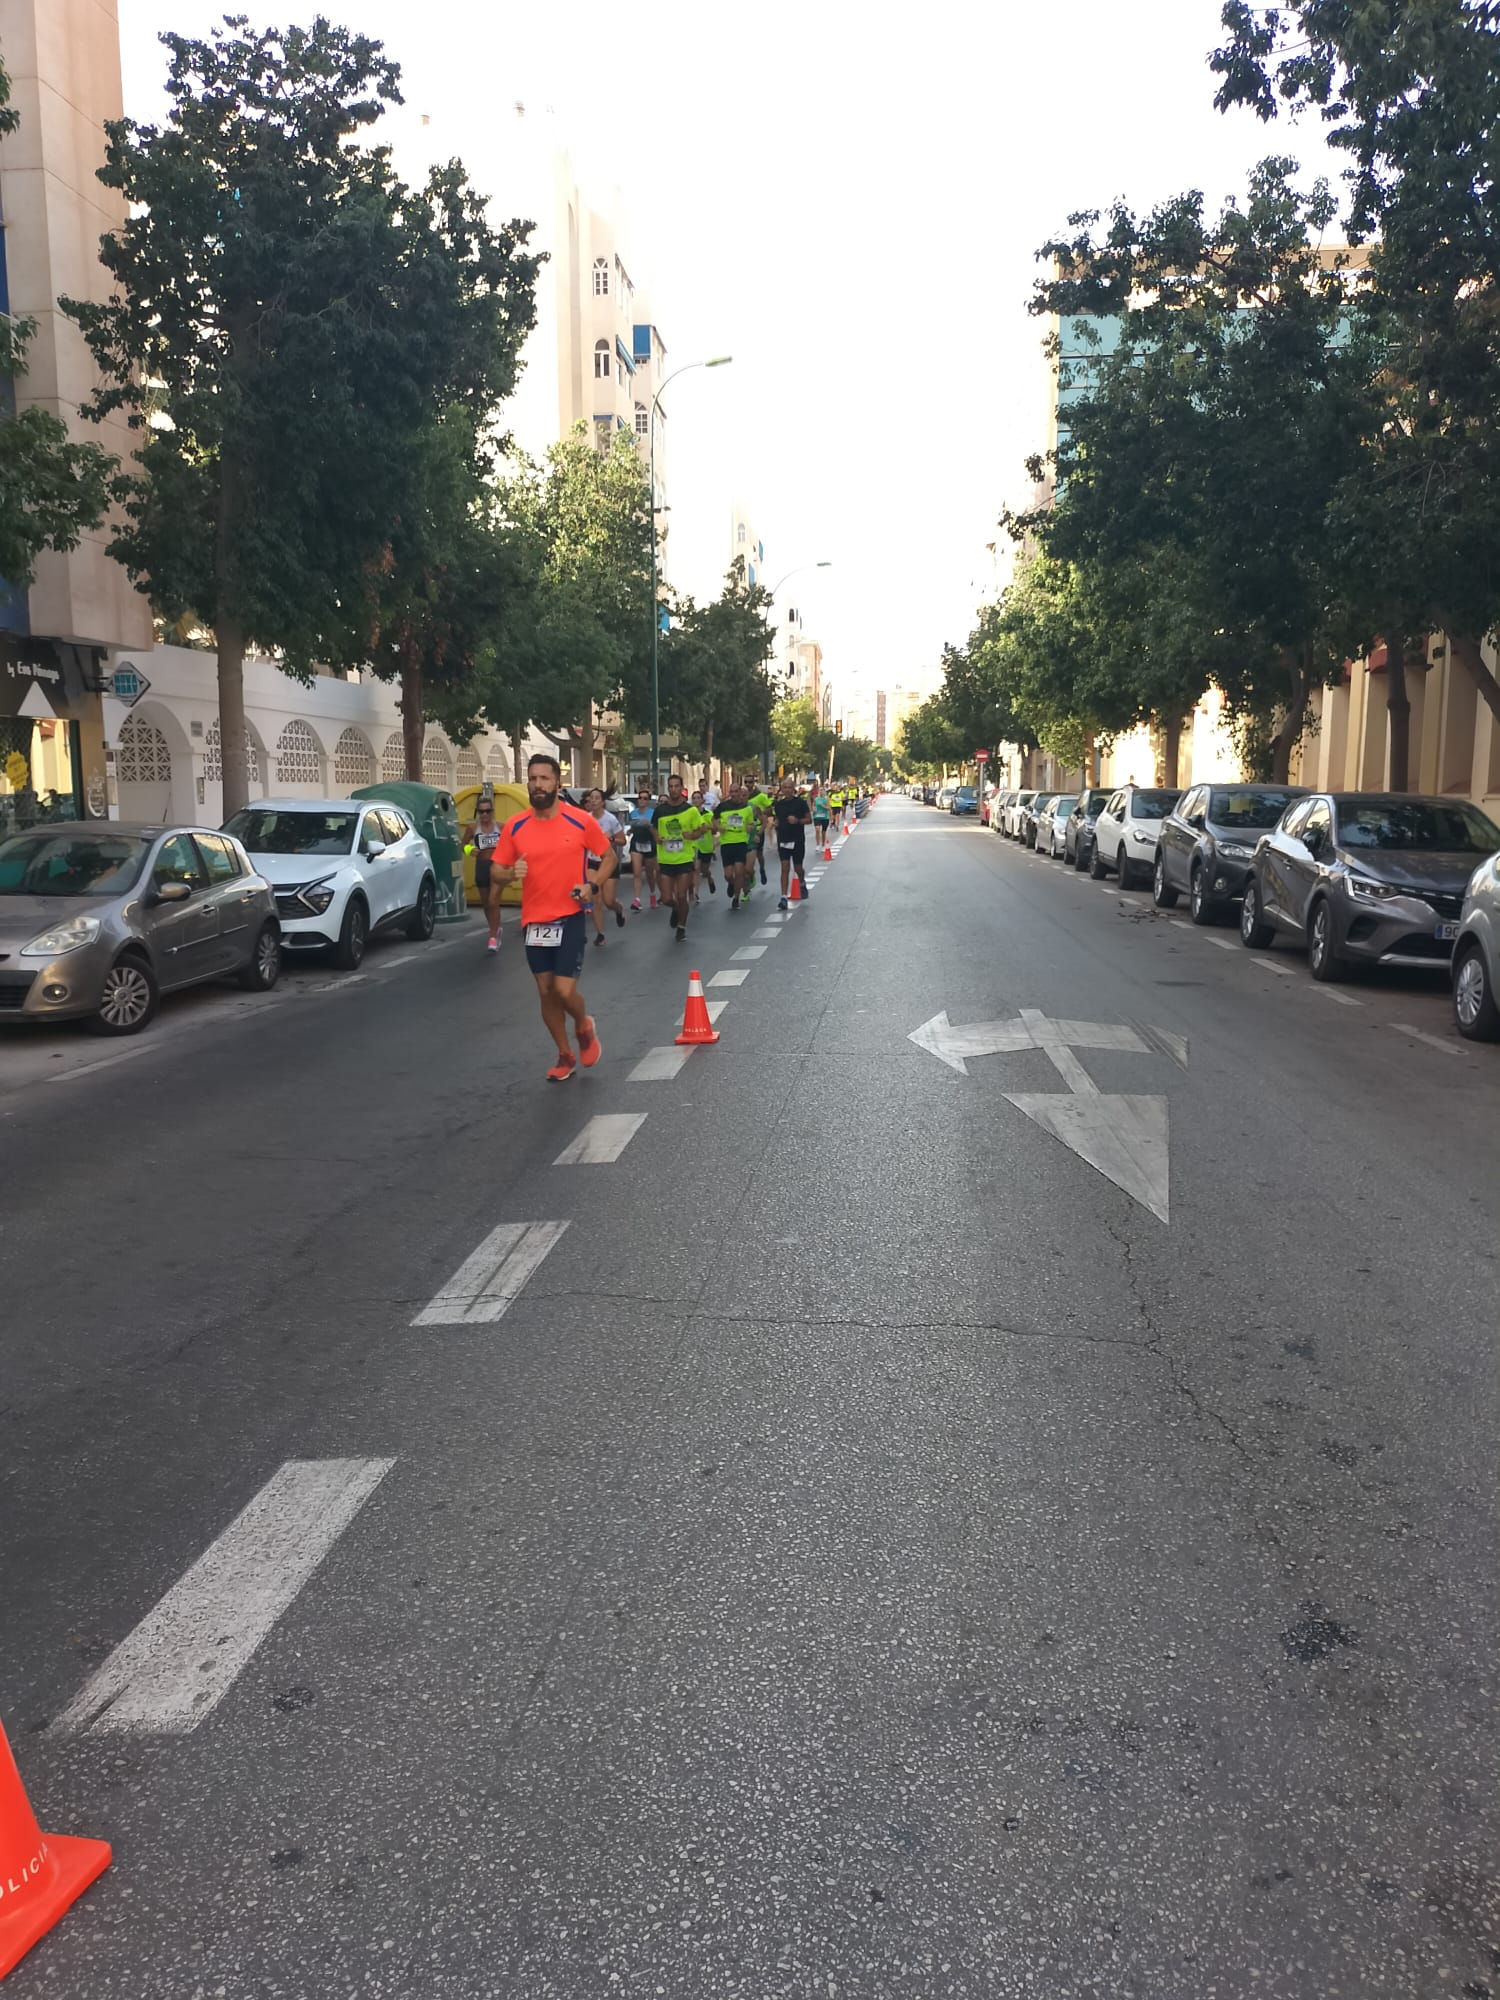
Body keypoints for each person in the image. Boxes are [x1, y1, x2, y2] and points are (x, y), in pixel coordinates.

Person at [492, 755, 613, 1082]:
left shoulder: (580, 821)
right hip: (534, 922)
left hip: (570, 914)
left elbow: (609, 857)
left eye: (544, 779)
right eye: (532, 779)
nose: (538, 785)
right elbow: (496, 870)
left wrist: (593, 885)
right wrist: (508, 873)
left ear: (557, 783)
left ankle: (583, 1024)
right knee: (545, 992)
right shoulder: (516, 826)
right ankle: (565, 1054)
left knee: (562, 989)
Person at [653, 774, 710, 941]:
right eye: (670, 786)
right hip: (666, 859)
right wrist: (657, 837)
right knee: (666, 898)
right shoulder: (661, 810)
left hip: (684, 858)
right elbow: (653, 827)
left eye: (676, 786)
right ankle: (676, 909)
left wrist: (692, 835)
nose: (673, 789)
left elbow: (703, 828)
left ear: (682, 788)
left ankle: (681, 927)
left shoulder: (690, 810)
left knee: (681, 895)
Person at [583, 787, 627, 946]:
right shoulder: (585, 819)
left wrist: (612, 838)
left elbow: (623, 840)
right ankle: (600, 934)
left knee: (608, 901)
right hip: (592, 861)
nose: (593, 800)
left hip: (609, 862)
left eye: (596, 798)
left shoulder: (610, 820)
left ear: (602, 802)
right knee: (595, 898)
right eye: (591, 798)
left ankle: (618, 908)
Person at [462, 793, 505, 952]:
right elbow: (463, 844)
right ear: (478, 813)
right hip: (481, 866)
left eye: (488, 811)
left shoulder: (501, 827)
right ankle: (495, 929)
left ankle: (493, 936)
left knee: (494, 900)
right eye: (481, 812)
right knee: (487, 903)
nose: (485, 815)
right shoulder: (472, 828)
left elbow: (511, 845)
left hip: (497, 866)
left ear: (492, 812)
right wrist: (470, 850)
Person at [713, 781, 756, 908]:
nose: (733, 794)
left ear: (740, 793)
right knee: (728, 875)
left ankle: (736, 898)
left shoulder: (747, 808)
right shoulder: (722, 806)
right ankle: (732, 884)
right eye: (731, 792)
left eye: (736, 791)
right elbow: (714, 819)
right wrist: (719, 826)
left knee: (739, 872)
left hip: (740, 843)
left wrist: (749, 827)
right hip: (726, 843)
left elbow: (751, 824)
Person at [772, 776, 812, 909]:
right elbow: (776, 818)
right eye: (785, 788)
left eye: (790, 787)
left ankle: (801, 882)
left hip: (797, 839)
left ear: (793, 789)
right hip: (783, 839)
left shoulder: (800, 803)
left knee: (798, 868)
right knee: (784, 867)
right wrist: (776, 823)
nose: (787, 790)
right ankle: (783, 897)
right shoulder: (779, 804)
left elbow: (809, 820)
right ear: (782, 789)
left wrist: (798, 820)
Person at [626, 786, 659, 910]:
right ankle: (637, 900)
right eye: (640, 798)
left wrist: (649, 825)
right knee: (637, 872)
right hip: (636, 843)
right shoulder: (633, 813)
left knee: (650, 873)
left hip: (649, 842)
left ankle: (652, 894)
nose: (642, 800)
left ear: (648, 801)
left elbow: (655, 829)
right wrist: (630, 830)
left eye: (645, 798)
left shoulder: (652, 813)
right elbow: (633, 826)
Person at [747, 780, 774, 886]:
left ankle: (762, 869)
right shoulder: (741, 802)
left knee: (758, 854)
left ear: (753, 784)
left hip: (758, 829)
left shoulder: (760, 796)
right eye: (746, 782)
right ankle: (750, 874)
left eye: (749, 782)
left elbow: (769, 807)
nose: (747, 783)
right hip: (745, 832)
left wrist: (761, 813)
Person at [691, 788, 717, 898]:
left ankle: (710, 878)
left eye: (698, 798)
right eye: (694, 798)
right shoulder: (689, 814)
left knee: (704, 870)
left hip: (706, 845)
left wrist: (707, 827)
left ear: (702, 800)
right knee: (696, 869)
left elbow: (715, 830)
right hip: (694, 845)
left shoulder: (708, 814)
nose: (696, 800)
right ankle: (695, 892)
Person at [811, 783, 832, 851]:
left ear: (824, 791)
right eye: (819, 790)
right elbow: (813, 806)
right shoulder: (816, 799)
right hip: (817, 816)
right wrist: (813, 809)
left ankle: (823, 844)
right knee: (817, 829)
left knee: (823, 832)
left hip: (825, 817)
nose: (821, 791)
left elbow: (829, 808)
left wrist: (823, 806)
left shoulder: (826, 799)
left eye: (822, 790)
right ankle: (818, 844)